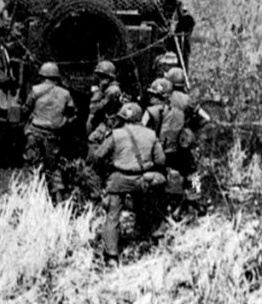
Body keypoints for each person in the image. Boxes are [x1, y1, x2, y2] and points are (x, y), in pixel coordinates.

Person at [89, 102, 166, 265]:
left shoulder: (116, 134)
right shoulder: (151, 135)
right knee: (151, 208)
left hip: (119, 180)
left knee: (112, 216)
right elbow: (161, 160)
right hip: (142, 179)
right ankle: (158, 241)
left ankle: (112, 256)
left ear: (123, 118)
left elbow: (98, 156)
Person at [24, 62, 75, 202]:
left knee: (34, 166)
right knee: (53, 168)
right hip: (53, 135)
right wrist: (63, 122)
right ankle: (58, 200)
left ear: (42, 75)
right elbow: (72, 113)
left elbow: (26, 109)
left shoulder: (35, 90)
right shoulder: (65, 94)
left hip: (34, 133)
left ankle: (34, 197)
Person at [164, 67, 211, 213]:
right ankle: (195, 199)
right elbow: (207, 118)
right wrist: (192, 128)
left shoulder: (165, 98)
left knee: (171, 170)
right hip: (183, 143)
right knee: (193, 171)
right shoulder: (188, 100)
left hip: (166, 142)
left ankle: (173, 204)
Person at [142, 78, 185, 210]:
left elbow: (141, 132)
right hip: (176, 151)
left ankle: (155, 206)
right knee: (191, 173)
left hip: (157, 153)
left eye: (153, 95)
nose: (150, 97)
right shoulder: (179, 112)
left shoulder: (150, 111)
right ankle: (193, 200)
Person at [86, 60, 126, 140]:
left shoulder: (112, 90)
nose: (99, 79)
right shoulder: (108, 88)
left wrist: (100, 90)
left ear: (107, 77)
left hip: (109, 124)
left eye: (101, 76)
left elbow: (94, 108)